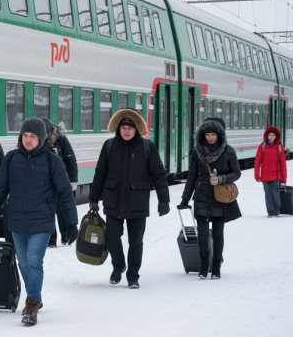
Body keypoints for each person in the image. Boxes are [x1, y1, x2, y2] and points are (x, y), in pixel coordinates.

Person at [0, 118, 78, 327]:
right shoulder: (11, 158)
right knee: (23, 264)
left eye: (33, 136)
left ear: (41, 138)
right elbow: (0, 189)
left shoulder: (53, 161)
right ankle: (36, 296)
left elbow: (65, 194)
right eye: (25, 135)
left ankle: (31, 303)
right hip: (16, 221)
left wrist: (71, 223)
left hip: (42, 221)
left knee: (34, 262)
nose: (28, 140)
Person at [88, 109, 169, 289]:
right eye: (123, 127)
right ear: (118, 128)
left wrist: (164, 200)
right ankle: (118, 266)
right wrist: (93, 198)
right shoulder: (109, 146)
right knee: (112, 237)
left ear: (137, 129)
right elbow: (100, 173)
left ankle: (133, 276)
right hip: (113, 200)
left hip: (137, 202)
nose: (126, 131)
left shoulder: (148, 147)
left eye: (130, 128)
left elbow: (158, 175)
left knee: (136, 242)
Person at [178, 118, 241, 279]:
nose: (210, 137)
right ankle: (204, 265)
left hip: (220, 196)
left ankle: (216, 266)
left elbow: (236, 173)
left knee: (218, 233)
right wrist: (185, 199)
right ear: (203, 135)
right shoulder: (197, 152)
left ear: (219, 135)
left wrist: (221, 179)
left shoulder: (228, 151)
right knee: (203, 233)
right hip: (201, 195)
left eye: (213, 134)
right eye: (207, 134)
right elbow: (191, 176)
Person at [42, 118, 79, 247]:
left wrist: (73, 180)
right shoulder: (40, 141)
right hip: (47, 183)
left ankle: (66, 237)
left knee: (62, 210)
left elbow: (71, 160)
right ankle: (51, 241)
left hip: (63, 180)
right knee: (49, 211)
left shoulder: (61, 140)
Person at [254, 126, 287, 217]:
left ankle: (277, 210)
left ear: (276, 136)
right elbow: (257, 161)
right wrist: (257, 175)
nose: (271, 137)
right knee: (267, 194)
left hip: (276, 175)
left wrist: (283, 179)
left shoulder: (280, 147)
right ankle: (270, 212)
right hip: (265, 175)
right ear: (266, 136)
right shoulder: (263, 146)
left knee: (275, 192)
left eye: (273, 135)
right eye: (269, 135)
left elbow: (283, 164)